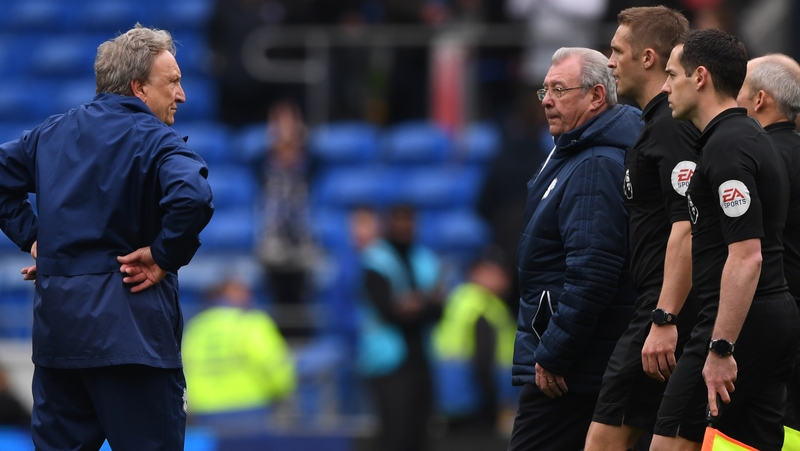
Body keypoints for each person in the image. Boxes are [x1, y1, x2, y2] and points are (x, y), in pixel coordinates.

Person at [0, 24, 214, 450]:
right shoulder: (158, 141)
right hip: (134, 343)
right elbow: (193, 196)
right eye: (172, 82)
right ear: (138, 87)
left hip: (59, 343)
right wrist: (162, 255)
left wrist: (35, 238)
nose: (182, 94)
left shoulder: (52, 133)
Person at [652, 30, 799, 451]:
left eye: (672, 75)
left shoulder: (729, 146)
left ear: (700, 77)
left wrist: (720, 346)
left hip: (738, 322)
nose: (665, 88)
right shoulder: (747, 137)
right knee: (750, 444)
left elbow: (747, 256)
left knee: (670, 442)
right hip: (771, 314)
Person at [507, 47, 641, 451]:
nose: (547, 99)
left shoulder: (595, 163)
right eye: (544, 90)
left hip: (572, 373)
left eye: (559, 89)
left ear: (597, 97)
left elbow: (593, 272)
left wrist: (553, 353)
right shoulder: (576, 152)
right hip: (577, 364)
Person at [585, 7, 700, 451]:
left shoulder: (671, 129)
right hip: (657, 308)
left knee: (603, 440)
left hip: (665, 311)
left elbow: (688, 226)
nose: (609, 61)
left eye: (617, 50)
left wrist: (665, 316)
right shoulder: (655, 125)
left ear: (648, 58)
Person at [735, 53, 800, 431]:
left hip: (767, 320)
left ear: (759, 99)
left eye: (739, 88)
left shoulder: (759, 159)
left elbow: (746, 252)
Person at [356, 205, 444, 451]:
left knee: (422, 434)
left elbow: (439, 309)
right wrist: (421, 303)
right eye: (399, 221)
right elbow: (388, 310)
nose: (405, 227)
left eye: (409, 222)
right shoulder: (375, 259)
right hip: (387, 361)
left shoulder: (424, 258)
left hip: (421, 357)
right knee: (395, 434)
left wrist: (412, 304)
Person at [182, 279, 296, 430]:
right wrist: (282, 393)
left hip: (204, 414)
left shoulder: (195, 328)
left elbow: (183, 371)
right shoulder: (252, 324)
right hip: (251, 410)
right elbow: (276, 368)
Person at [432, 247, 516, 433]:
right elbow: (484, 362)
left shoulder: (460, 298)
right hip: (476, 403)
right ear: (476, 272)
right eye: (496, 272)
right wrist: (495, 404)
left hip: (452, 401)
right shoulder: (482, 306)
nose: (504, 278)